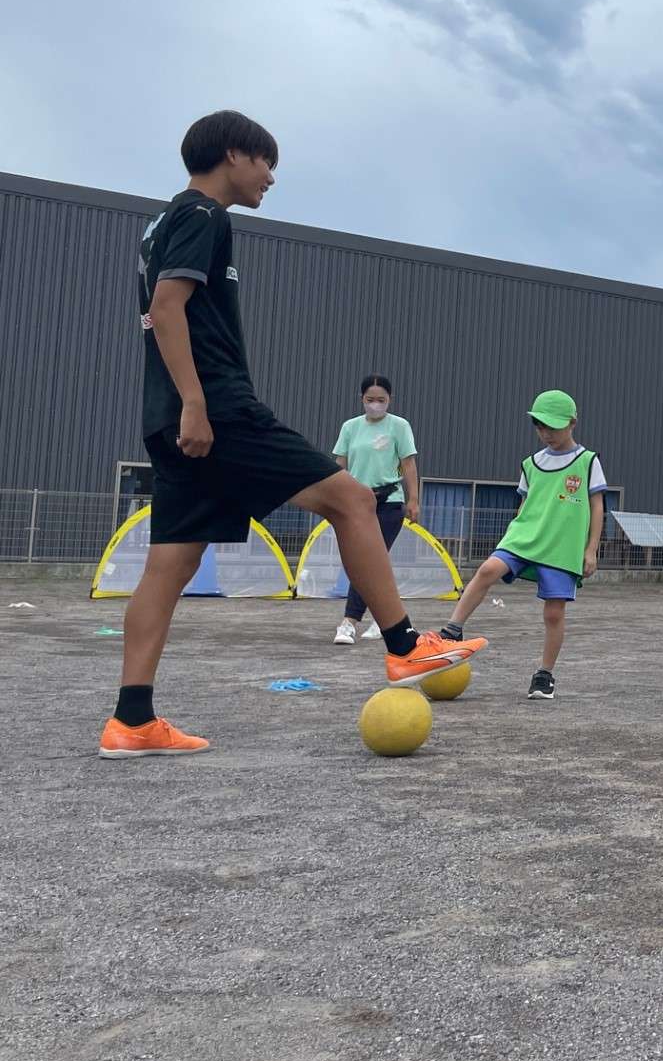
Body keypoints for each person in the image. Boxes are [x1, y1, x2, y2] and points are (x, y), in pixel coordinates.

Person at [103, 112, 482, 759]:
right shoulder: (203, 214)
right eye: (265, 163)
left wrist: (183, 406)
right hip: (216, 410)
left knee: (170, 564)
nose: (271, 178)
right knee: (353, 499)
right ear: (233, 154)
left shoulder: (159, 223)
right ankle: (403, 645)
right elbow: (166, 308)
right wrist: (197, 402)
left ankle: (131, 720)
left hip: (168, 416)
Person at [438, 390, 607, 701]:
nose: (546, 433)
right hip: (525, 536)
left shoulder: (587, 461)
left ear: (572, 423)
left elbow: (597, 506)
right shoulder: (531, 463)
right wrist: (512, 535)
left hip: (562, 546)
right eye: (540, 426)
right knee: (487, 569)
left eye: (553, 427)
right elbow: (525, 505)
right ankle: (452, 629)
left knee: (553, 612)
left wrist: (590, 549)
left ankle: (544, 675)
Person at [330, 374, 420, 644]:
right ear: (362, 399)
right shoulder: (350, 427)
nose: (376, 405)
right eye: (370, 399)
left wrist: (414, 500)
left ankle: (349, 622)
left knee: (368, 561)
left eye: (381, 400)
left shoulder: (399, 426)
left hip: (389, 501)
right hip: (358, 501)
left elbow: (408, 464)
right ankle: (386, 620)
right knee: (369, 563)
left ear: (390, 399)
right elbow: (340, 464)